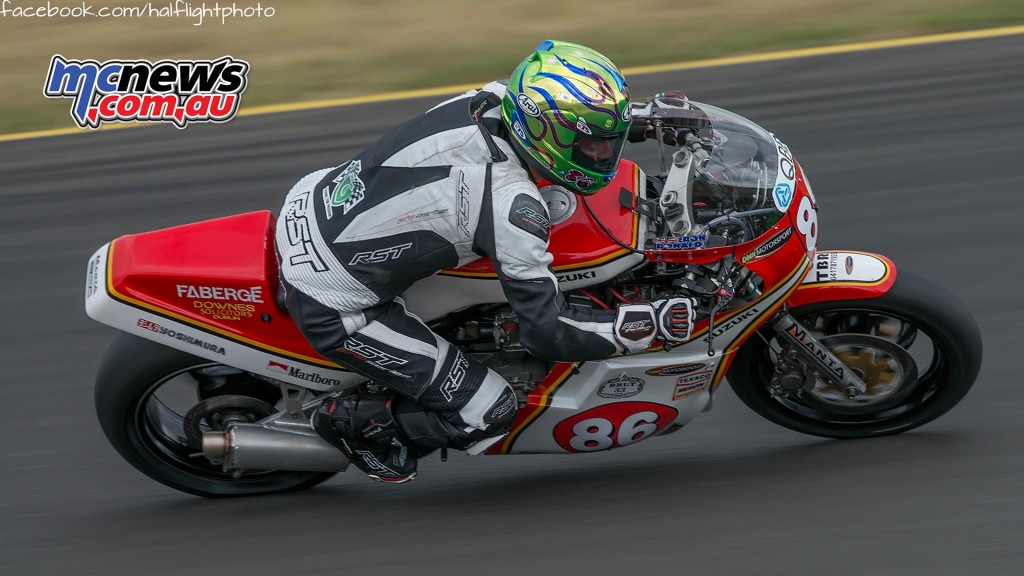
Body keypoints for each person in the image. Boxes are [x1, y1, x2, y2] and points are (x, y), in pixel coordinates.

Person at [275, 40, 695, 483]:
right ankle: (354, 426)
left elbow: (566, 115)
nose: (606, 155)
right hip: (335, 300)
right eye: (592, 144)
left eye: (610, 140)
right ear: (546, 133)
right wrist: (647, 326)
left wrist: (650, 120)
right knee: (490, 411)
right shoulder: (509, 203)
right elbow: (548, 331)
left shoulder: (498, 99)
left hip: (315, 200)